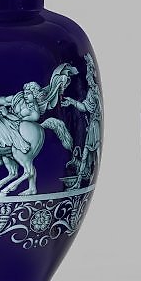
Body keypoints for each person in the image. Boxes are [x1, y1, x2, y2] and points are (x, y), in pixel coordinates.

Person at [61, 54, 102, 188]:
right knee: (86, 153)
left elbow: (89, 108)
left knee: (93, 153)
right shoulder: (91, 93)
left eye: (90, 78)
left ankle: (83, 181)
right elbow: (85, 107)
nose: (89, 80)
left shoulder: (94, 92)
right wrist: (72, 101)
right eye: (88, 78)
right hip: (93, 125)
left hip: (95, 125)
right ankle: (79, 182)